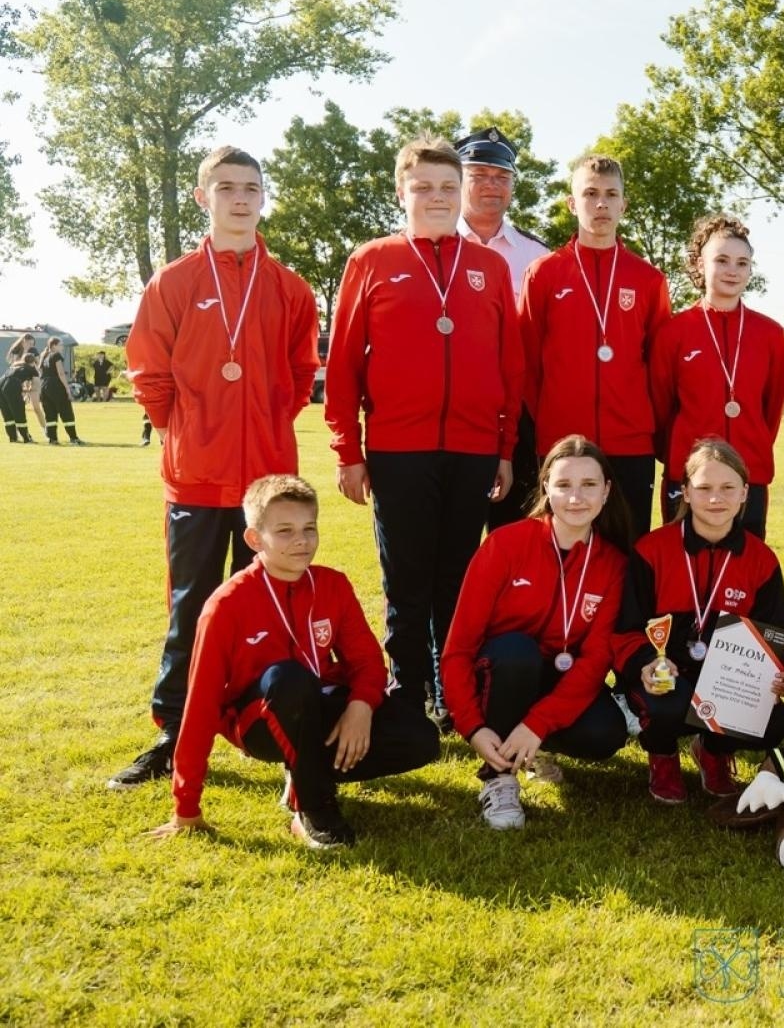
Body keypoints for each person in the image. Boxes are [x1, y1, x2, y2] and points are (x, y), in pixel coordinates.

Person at [109, 146, 321, 789]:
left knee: (271, 608)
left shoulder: (288, 287)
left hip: (266, 482)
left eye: (251, 188)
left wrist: (261, 425)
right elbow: (148, 370)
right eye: (226, 187)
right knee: (193, 609)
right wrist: (189, 428)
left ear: (263, 198)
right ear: (203, 197)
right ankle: (174, 735)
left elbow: (298, 375)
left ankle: (275, 727)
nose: (239, 198)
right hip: (196, 478)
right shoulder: (172, 282)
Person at [325, 136, 523, 731]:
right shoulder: (372, 259)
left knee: (457, 580)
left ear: (460, 192)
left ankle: (448, 688)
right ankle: (407, 691)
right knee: (406, 578)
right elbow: (342, 366)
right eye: (424, 187)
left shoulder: (489, 266)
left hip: (472, 449)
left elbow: (509, 367)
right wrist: (347, 451)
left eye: (447, 187)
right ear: (401, 191)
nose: (437, 197)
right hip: (397, 448)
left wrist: (505, 448)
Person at [146, 475, 440, 849]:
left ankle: (303, 772)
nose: (301, 540)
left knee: (421, 739)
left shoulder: (333, 585)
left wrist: (361, 707)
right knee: (288, 679)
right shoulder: (225, 605)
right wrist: (186, 807)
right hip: (261, 719)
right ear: (254, 539)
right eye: (284, 531)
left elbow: (367, 660)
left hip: (319, 703)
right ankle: (313, 808)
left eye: (309, 528)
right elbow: (201, 704)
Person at [441, 436, 631, 830]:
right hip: (500, 672)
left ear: (607, 490)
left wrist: (538, 724)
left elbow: (596, 660)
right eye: (563, 485)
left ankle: (533, 746)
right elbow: (458, 648)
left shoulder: (612, 563)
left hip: (558, 677)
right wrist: (472, 726)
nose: (575, 497)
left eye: (589, 485)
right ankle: (499, 776)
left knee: (605, 733)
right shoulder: (506, 544)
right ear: (546, 487)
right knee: (516, 651)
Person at [614, 440, 784, 804]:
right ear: (685, 492)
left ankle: (712, 749)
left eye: (728, 488)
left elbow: (772, 635)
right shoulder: (652, 550)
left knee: (775, 724)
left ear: (745, 493)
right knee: (666, 701)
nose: (716, 499)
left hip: (724, 680)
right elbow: (624, 629)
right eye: (705, 488)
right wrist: (646, 664)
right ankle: (662, 753)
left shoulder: (762, 560)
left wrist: (775, 676)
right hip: (666, 674)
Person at [518, 154, 672, 542]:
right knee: (563, 550)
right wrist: (554, 420)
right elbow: (527, 363)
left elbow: (660, 366)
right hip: (563, 444)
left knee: (628, 552)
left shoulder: (648, 279)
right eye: (589, 193)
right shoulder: (544, 273)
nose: (600, 203)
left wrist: (643, 423)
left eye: (610, 194)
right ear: (572, 202)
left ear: (624, 204)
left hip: (630, 442)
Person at [651, 214, 784, 537]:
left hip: (748, 476)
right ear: (700, 264)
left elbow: (769, 412)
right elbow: (660, 407)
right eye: (722, 260)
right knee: (684, 571)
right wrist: (680, 455)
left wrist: (749, 446)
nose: (732, 270)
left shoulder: (771, 335)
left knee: (743, 575)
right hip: (688, 476)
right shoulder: (673, 332)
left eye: (742, 263)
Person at [455, 127, 552, 534]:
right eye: (479, 175)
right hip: (455, 413)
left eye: (502, 177)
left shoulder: (539, 256)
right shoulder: (429, 247)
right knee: (450, 543)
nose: (492, 186)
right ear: (458, 180)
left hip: (519, 416)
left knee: (513, 535)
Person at [38, 336, 85, 445]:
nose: (62, 347)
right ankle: (74, 438)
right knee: (66, 411)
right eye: (61, 345)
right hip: (55, 385)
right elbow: (60, 373)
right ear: (54, 346)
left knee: (50, 413)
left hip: (44, 386)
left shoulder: (44, 356)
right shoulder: (56, 355)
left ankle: (53, 439)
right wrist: (67, 389)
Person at [1, 351, 38, 443]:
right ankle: (26, 438)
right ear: (33, 362)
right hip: (12, 386)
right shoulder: (32, 369)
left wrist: (23, 390)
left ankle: (13, 438)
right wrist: (28, 392)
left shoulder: (15, 366)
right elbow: (35, 385)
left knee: (7, 413)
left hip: (1, 384)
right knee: (19, 412)